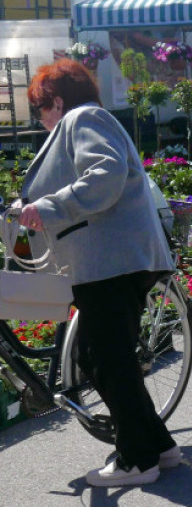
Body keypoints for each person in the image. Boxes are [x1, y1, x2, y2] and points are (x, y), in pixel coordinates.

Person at [17, 59, 179, 487]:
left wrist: (48, 206)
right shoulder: (84, 120)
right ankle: (158, 445)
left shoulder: (83, 117)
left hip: (111, 261)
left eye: (40, 108)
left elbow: (105, 174)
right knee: (103, 358)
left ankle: (137, 461)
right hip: (111, 260)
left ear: (56, 101)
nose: (41, 119)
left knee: (105, 359)